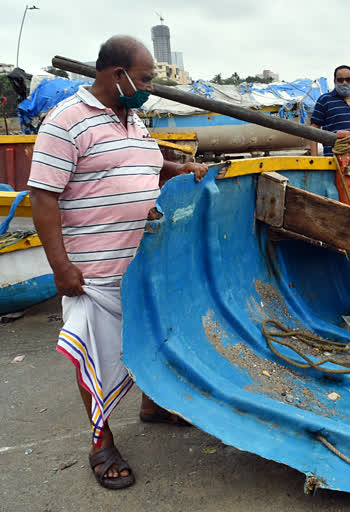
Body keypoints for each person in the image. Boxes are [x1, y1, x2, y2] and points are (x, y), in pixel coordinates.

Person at [27, 35, 207, 490]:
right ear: (116, 75)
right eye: (144, 79)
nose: (149, 87)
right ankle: (101, 442)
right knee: (98, 356)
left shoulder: (133, 117)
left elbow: (143, 163)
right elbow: (43, 197)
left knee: (152, 337)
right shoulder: (65, 121)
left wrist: (177, 170)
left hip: (141, 262)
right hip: (93, 271)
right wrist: (60, 266)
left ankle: (153, 405)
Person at [310, 65, 350, 155]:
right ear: (334, 81)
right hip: (333, 160)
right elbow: (314, 130)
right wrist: (314, 159)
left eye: (348, 79)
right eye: (340, 80)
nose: (344, 83)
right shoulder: (324, 100)